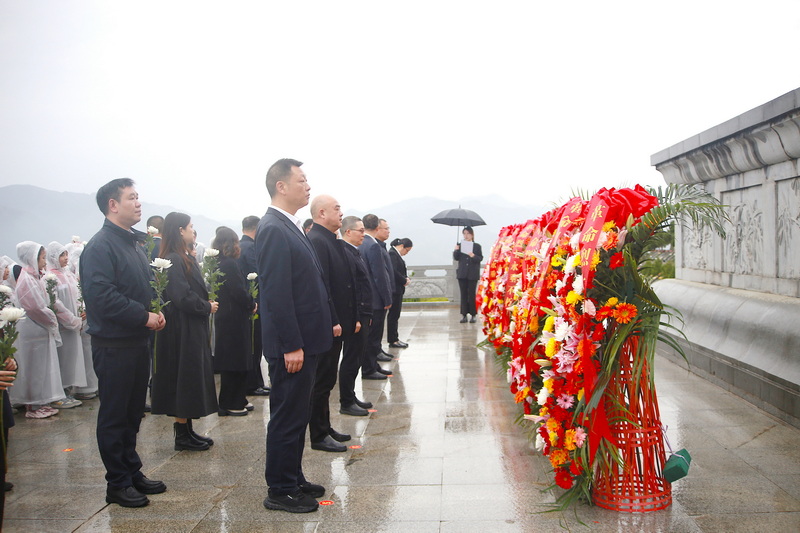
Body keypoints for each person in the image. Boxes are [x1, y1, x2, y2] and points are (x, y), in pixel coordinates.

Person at [256, 158, 335, 514]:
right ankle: (280, 489)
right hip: (293, 345)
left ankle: (294, 475)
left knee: (297, 414)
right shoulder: (273, 228)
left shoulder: (290, 226)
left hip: (307, 339)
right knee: (287, 416)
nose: (307, 185)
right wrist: (291, 345)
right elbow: (276, 293)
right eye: (301, 180)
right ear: (281, 187)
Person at [81, 178, 167, 507]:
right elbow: (102, 298)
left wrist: (155, 312)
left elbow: (138, 288)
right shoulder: (101, 246)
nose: (138, 203)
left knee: (133, 413)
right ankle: (116, 483)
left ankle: (131, 470)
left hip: (136, 341)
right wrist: (142, 316)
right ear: (112, 205)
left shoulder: (132, 244)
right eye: (131, 198)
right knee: (115, 414)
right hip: (114, 344)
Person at [150, 212, 219, 451]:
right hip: (182, 329)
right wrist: (206, 306)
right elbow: (181, 297)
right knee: (183, 377)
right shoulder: (174, 259)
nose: (192, 231)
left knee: (189, 378)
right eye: (190, 227)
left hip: (190, 327)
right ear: (180, 230)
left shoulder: (182, 257)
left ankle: (188, 428)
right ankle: (181, 434)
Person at [306, 195, 354, 451]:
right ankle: (318, 434)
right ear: (321, 213)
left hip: (336, 322)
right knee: (321, 380)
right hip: (327, 324)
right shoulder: (316, 240)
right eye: (336, 209)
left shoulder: (330, 239)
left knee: (327, 380)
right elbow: (321, 286)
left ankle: (325, 425)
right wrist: (333, 319)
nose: (341, 212)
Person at [8, 241, 72, 419]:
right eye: (43, 258)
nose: (45, 262)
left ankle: (41, 401)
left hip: (40, 329)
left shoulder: (33, 277)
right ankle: (34, 404)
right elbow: (35, 307)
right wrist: (51, 318)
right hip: (34, 330)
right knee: (34, 368)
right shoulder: (27, 279)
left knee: (42, 368)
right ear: (32, 258)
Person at [212, 226, 257, 416]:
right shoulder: (229, 264)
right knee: (235, 360)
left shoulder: (218, 263)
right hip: (233, 317)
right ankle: (230, 401)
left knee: (237, 358)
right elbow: (238, 290)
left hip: (227, 316)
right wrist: (251, 303)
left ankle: (239, 397)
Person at [338, 216, 374, 416]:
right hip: (356, 315)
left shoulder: (355, 251)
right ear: (348, 232)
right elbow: (352, 289)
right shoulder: (345, 253)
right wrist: (358, 317)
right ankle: (346, 401)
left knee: (357, 357)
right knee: (351, 358)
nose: (363, 234)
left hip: (363, 313)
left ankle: (351, 396)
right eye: (360, 231)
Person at [45, 241, 86, 409]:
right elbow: (55, 302)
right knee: (62, 358)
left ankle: (69, 390)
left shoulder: (67, 274)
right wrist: (71, 319)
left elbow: (78, 293)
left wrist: (82, 310)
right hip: (64, 325)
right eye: (61, 255)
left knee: (72, 358)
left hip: (76, 323)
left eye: (66, 254)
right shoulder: (50, 276)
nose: (65, 258)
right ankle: (60, 392)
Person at [359, 214, 394, 376]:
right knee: (373, 337)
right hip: (376, 300)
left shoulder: (362, 243)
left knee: (371, 336)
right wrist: (387, 298)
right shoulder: (373, 246)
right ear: (377, 228)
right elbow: (379, 275)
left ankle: (373, 365)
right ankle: (369, 368)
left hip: (367, 298)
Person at [239, 215, 269, 397]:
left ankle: (257, 381)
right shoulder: (250, 248)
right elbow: (257, 274)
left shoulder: (240, 246)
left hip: (249, 302)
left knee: (255, 344)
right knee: (255, 345)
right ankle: (253, 383)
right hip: (254, 302)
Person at [453, 226, 483, 323]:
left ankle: (473, 314)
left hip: (472, 274)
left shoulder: (477, 246)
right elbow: (456, 258)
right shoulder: (460, 245)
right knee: (464, 294)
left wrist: (473, 256)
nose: (466, 235)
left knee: (471, 294)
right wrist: (456, 250)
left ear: (472, 235)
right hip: (462, 273)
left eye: (468, 233)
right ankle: (464, 315)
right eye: (464, 233)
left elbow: (480, 258)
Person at [387, 237, 412, 349]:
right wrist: (404, 280)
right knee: (393, 315)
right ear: (402, 246)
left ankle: (395, 338)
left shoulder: (395, 254)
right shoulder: (392, 254)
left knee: (395, 315)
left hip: (398, 289)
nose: (406, 253)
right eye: (407, 250)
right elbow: (393, 271)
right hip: (395, 289)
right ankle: (393, 340)